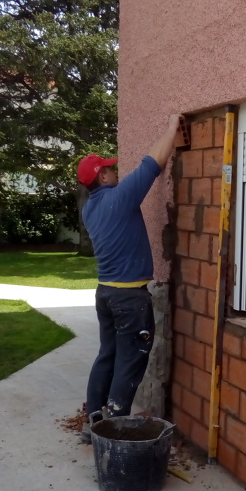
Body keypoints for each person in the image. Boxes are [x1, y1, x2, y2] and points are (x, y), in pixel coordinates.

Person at [77, 113, 183, 442]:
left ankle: (93, 418)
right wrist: (171, 128)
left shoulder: (90, 208)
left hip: (105, 294)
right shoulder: (120, 197)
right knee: (130, 361)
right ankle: (113, 426)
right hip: (128, 299)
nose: (115, 171)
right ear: (103, 176)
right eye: (110, 168)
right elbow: (154, 162)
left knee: (107, 354)